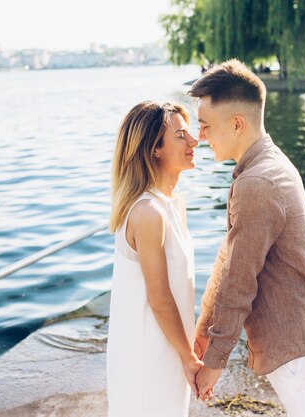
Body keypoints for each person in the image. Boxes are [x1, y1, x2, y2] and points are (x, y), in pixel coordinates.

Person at [189, 59, 305, 417]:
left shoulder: (257, 183)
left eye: (206, 126)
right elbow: (229, 259)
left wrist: (214, 362)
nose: (201, 136)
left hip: (296, 347)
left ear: (237, 123)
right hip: (300, 341)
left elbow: (239, 281)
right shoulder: (264, 168)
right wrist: (204, 331)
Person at [107, 101, 202, 417]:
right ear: (154, 150)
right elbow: (159, 298)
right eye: (180, 135)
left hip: (168, 348)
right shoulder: (148, 213)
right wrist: (189, 358)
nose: (193, 141)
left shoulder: (169, 206)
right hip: (148, 356)